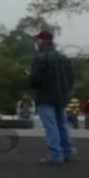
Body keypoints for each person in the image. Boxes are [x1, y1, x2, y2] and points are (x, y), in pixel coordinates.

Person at [28, 30, 75, 164]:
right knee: (62, 125)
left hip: (45, 97)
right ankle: (67, 151)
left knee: (51, 126)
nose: (36, 43)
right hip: (62, 97)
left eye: (37, 40)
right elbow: (71, 79)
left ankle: (56, 155)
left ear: (42, 41)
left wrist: (30, 79)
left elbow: (36, 79)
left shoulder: (40, 58)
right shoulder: (63, 57)